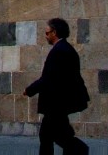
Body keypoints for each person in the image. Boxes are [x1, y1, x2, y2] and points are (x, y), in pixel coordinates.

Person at [24, 18, 89, 154]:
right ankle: (79, 150)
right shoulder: (66, 49)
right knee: (49, 136)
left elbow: (48, 78)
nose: (45, 36)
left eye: (47, 33)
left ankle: (81, 150)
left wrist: (29, 90)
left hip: (56, 103)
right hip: (59, 103)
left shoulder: (59, 51)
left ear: (54, 32)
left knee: (58, 137)